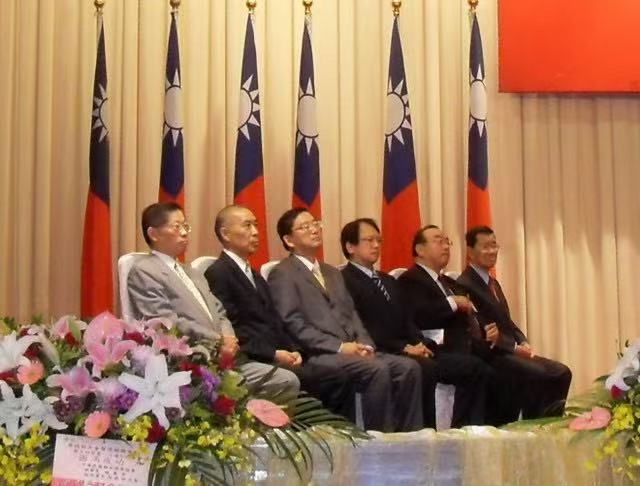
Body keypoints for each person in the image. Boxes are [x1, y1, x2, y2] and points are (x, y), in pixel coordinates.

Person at [267, 208, 423, 432]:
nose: (314, 230)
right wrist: (340, 347)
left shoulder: (332, 272)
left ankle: (410, 436)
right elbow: (293, 323)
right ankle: (379, 437)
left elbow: (352, 314)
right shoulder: (283, 273)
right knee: (376, 369)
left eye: (315, 224)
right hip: (319, 354)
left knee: (408, 367)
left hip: (352, 349)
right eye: (304, 227)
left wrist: (365, 344)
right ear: (289, 240)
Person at [127, 202, 299, 402]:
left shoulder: (191, 272)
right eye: (177, 227)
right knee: (285, 380)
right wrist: (218, 340)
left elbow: (220, 311)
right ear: (154, 234)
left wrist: (229, 339)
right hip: (192, 360)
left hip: (225, 356)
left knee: (290, 374)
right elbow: (167, 323)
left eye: (186, 226)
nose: (184, 233)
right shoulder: (145, 271)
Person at [204, 205, 352, 416]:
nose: (256, 232)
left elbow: (275, 321)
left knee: (336, 372)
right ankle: (314, 430)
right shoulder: (218, 272)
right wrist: (273, 353)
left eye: (256, 225)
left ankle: (330, 431)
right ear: (225, 234)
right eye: (247, 225)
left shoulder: (254, 274)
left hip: (274, 354)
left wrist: (293, 350)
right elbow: (232, 327)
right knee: (329, 376)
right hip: (251, 358)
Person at [340, 218, 489, 428]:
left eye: (379, 240)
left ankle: (463, 431)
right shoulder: (343, 280)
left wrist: (420, 342)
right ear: (350, 246)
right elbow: (362, 325)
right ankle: (421, 432)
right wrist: (402, 348)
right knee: (425, 368)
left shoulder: (387, 280)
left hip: (408, 347)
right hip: (381, 349)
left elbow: (407, 318)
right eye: (369, 240)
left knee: (472, 366)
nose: (376, 245)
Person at [397, 224, 515, 425]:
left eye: (447, 242)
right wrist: (452, 303)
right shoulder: (410, 279)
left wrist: (488, 329)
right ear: (420, 250)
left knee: (508, 369)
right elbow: (420, 314)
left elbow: (473, 312)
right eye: (438, 241)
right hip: (436, 349)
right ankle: (464, 430)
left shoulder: (449, 282)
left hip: (467, 346)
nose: (445, 247)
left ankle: (499, 431)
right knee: (476, 369)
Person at [457, 226, 572, 419]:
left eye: (494, 245)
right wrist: (514, 347)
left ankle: (548, 424)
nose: (492, 251)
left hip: (510, 350)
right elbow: (482, 329)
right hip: (492, 353)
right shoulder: (465, 283)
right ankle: (531, 427)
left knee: (562, 372)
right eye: (485, 247)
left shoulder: (492, 282)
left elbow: (506, 321)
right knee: (536, 374)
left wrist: (523, 340)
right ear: (470, 251)